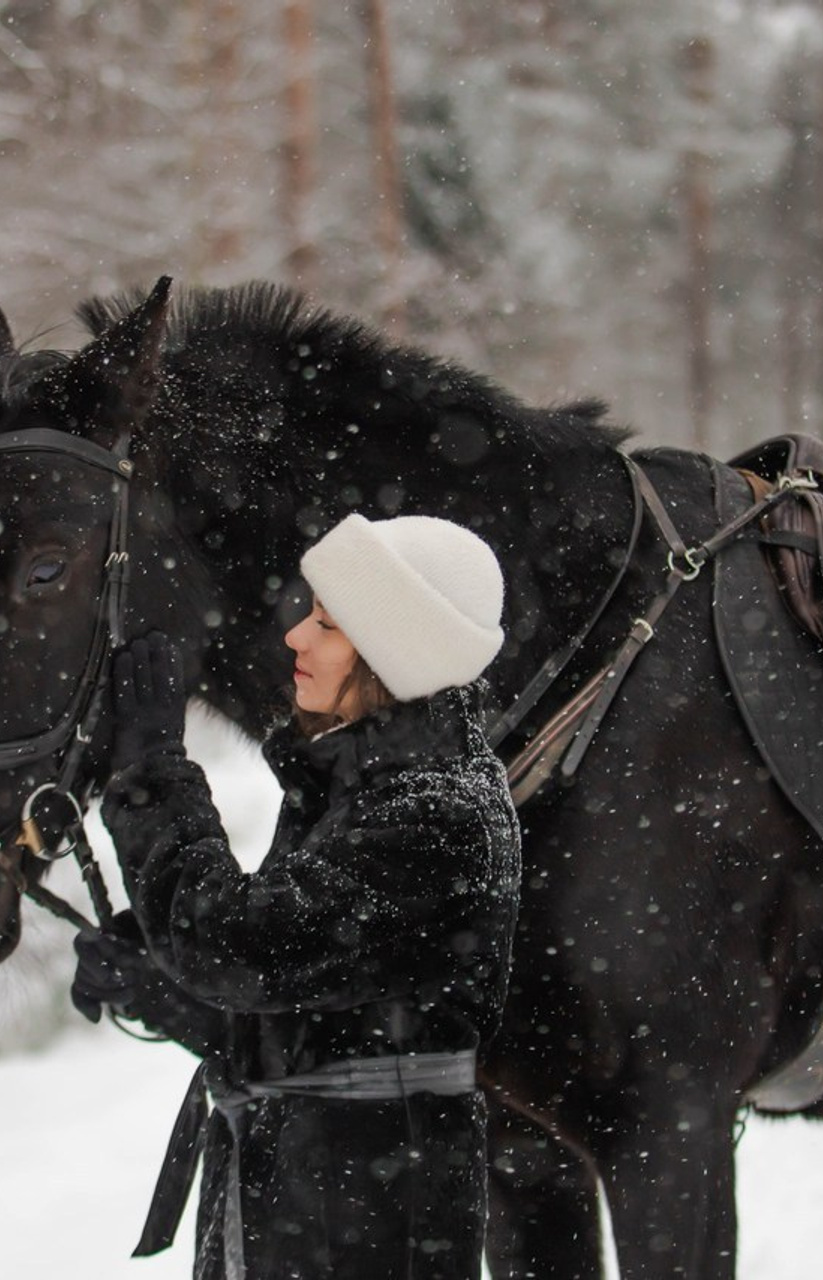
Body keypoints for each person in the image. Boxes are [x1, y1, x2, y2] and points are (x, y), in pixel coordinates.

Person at [72, 512, 522, 1280]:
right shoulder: (362, 789)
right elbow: (314, 1013)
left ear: (394, 654)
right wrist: (157, 981)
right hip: (313, 1207)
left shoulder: (438, 813)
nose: (296, 639)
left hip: (362, 1226)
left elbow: (239, 949)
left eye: (328, 624)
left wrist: (151, 770)